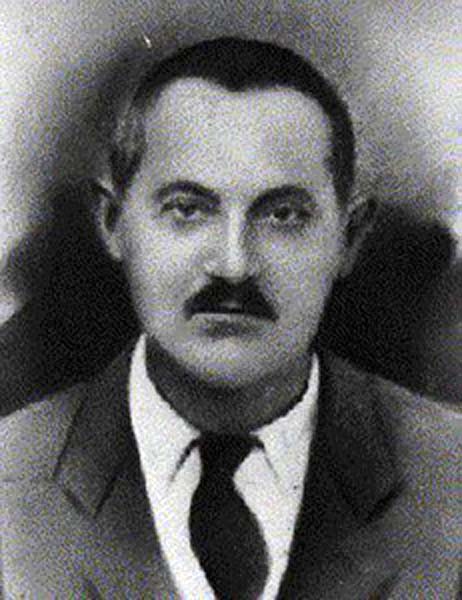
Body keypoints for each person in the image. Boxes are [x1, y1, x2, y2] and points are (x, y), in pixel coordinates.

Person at [1, 38, 459, 599]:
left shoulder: (450, 477)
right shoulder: (11, 480)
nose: (234, 265)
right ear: (114, 222)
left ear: (350, 237)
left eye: (283, 215)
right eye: (188, 209)